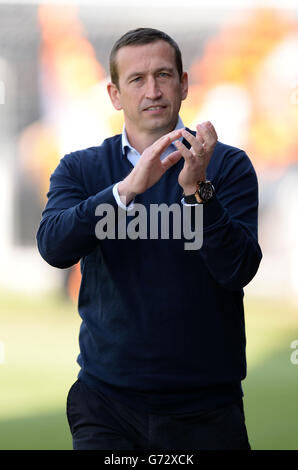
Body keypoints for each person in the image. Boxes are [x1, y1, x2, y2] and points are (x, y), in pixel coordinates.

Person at [36, 27, 262, 450]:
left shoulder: (226, 165)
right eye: (137, 79)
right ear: (115, 95)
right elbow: (53, 246)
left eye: (163, 75)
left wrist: (199, 192)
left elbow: (238, 270)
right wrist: (124, 191)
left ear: (184, 84)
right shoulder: (81, 169)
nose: (153, 90)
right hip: (107, 404)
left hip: (207, 408)